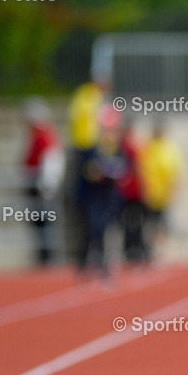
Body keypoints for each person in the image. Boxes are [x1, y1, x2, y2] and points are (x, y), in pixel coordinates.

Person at [67, 72, 110, 272]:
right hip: (87, 150)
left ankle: (92, 260)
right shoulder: (91, 99)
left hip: (87, 152)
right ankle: (90, 260)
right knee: (91, 219)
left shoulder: (85, 97)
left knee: (95, 220)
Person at [78, 107, 127, 279]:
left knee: (109, 231)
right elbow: (87, 172)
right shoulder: (92, 149)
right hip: (94, 197)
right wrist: (96, 172)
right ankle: (88, 264)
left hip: (110, 197)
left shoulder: (117, 149)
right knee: (93, 230)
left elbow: (124, 170)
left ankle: (106, 265)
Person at [22, 99, 63, 265]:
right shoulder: (37, 134)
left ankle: (47, 255)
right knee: (39, 221)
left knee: (44, 220)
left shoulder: (44, 135)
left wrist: (46, 184)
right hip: (36, 182)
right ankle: (43, 253)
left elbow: (51, 160)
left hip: (41, 185)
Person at [139, 120, 183, 260]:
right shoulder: (149, 147)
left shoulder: (169, 149)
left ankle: (163, 252)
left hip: (163, 195)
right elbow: (142, 170)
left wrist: (173, 192)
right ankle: (153, 252)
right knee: (151, 225)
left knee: (163, 225)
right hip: (151, 195)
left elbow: (174, 173)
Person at [117, 118, 147, 264]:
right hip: (126, 191)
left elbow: (138, 167)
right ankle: (131, 249)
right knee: (129, 221)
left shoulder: (131, 146)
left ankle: (135, 249)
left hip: (133, 191)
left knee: (134, 221)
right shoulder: (125, 146)